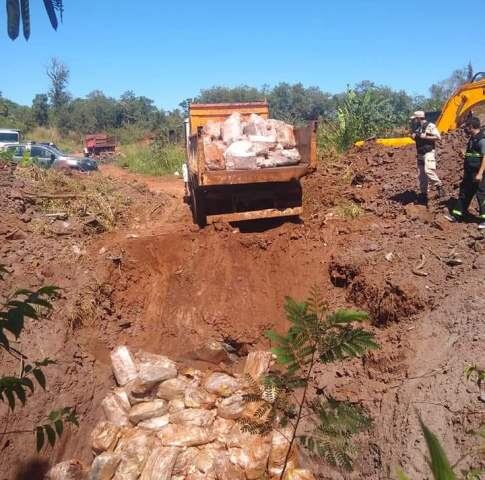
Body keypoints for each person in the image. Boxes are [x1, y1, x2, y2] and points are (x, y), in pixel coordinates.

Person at [446, 116, 485, 229]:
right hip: (469, 173)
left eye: (467, 127)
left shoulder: (482, 140)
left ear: (471, 127)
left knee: (481, 195)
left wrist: (480, 173)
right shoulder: (473, 139)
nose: (465, 129)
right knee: (464, 193)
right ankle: (457, 216)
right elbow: (473, 155)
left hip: (478, 174)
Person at [411, 110, 444, 204]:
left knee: (428, 170)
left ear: (418, 118)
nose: (414, 121)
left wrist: (425, 137)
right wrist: (414, 136)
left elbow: (438, 137)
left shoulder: (430, 126)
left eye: (415, 119)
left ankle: (439, 186)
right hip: (420, 153)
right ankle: (423, 194)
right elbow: (417, 138)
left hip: (428, 152)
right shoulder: (417, 127)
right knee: (422, 176)